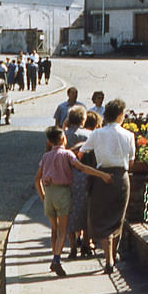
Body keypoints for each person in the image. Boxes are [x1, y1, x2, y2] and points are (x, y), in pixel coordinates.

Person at [35, 125, 112, 277]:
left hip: (49, 193)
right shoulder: (67, 154)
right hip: (63, 192)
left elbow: (37, 179)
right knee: (63, 230)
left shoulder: (45, 157)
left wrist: (43, 196)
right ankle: (56, 260)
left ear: (49, 142)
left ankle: (54, 255)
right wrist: (101, 174)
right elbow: (82, 168)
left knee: (54, 229)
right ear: (63, 138)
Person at [79, 99, 135, 275]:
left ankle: (109, 258)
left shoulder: (96, 134)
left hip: (102, 177)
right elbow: (131, 162)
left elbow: (81, 154)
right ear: (119, 115)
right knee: (118, 215)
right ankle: (114, 254)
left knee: (102, 216)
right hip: (121, 177)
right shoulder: (128, 135)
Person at [64, 107, 93, 259]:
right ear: (83, 119)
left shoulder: (64, 135)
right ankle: (86, 244)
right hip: (85, 175)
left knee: (69, 211)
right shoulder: (89, 135)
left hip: (67, 177)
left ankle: (73, 245)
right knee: (85, 210)